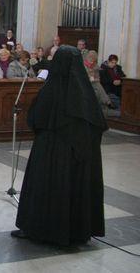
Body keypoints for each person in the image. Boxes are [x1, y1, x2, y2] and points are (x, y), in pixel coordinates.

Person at [13, 46, 107, 246]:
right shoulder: (86, 93)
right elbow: (97, 125)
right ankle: (77, 231)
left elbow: (36, 119)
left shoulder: (51, 89)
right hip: (78, 157)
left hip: (50, 153)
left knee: (48, 188)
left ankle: (42, 229)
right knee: (75, 189)